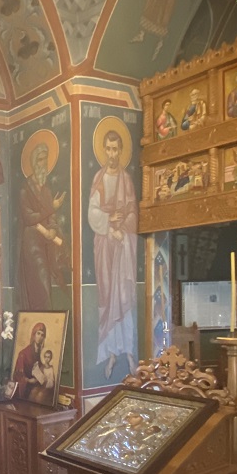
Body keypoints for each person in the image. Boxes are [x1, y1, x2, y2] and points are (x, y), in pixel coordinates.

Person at [87, 127, 139, 380]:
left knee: (124, 298)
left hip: (122, 248)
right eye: (107, 149)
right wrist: (109, 225)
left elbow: (133, 213)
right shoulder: (99, 177)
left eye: (115, 149)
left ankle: (128, 352)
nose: (111, 154)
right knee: (108, 299)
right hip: (105, 247)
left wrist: (123, 232)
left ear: (120, 151)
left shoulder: (126, 179)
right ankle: (110, 353)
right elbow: (92, 213)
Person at [18, 140, 66, 310]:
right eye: (40, 159)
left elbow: (51, 216)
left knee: (52, 279)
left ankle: (48, 318)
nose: (43, 163)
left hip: (46, 244)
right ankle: (41, 316)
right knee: (41, 279)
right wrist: (51, 208)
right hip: (32, 243)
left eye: (45, 159)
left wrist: (52, 229)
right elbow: (29, 218)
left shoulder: (46, 190)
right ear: (33, 162)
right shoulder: (25, 190)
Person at [12, 321, 46, 400]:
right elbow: (18, 375)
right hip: (26, 388)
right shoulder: (23, 353)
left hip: (38, 384)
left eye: (42, 335)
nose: (40, 337)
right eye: (38, 333)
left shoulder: (43, 353)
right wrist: (29, 381)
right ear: (34, 334)